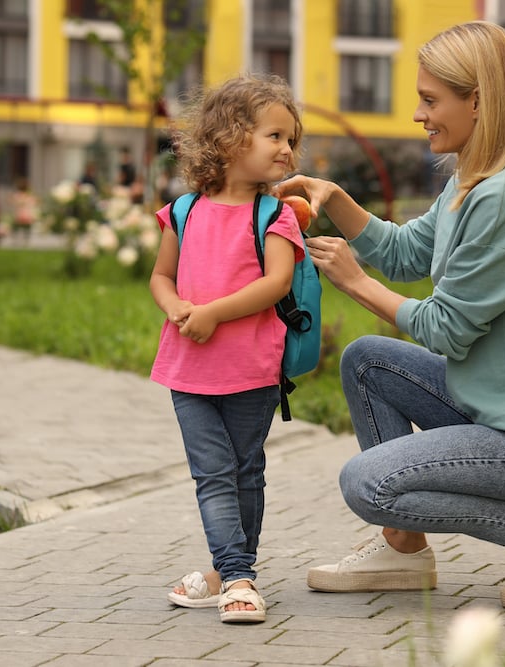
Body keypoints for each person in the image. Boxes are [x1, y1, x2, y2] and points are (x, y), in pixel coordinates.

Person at [275, 21, 505, 610]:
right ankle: (403, 550)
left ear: (478, 100)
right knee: (366, 362)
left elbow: (445, 329)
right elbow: (408, 255)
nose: (418, 114)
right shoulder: (469, 183)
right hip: (502, 411)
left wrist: (355, 281)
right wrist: (339, 200)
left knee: (367, 483)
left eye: (431, 100)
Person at [148, 73, 306, 623]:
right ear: (231, 137)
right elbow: (161, 277)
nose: (287, 149)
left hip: (251, 371)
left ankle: (227, 571)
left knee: (245, 472)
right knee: (214, 474)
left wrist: (213, 312)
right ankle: (237, 576)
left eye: (291, 139)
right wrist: (176, 307)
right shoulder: (185, 210)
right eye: (275, 136)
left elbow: (277, 284)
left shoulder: (274, 215)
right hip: (188, 370)